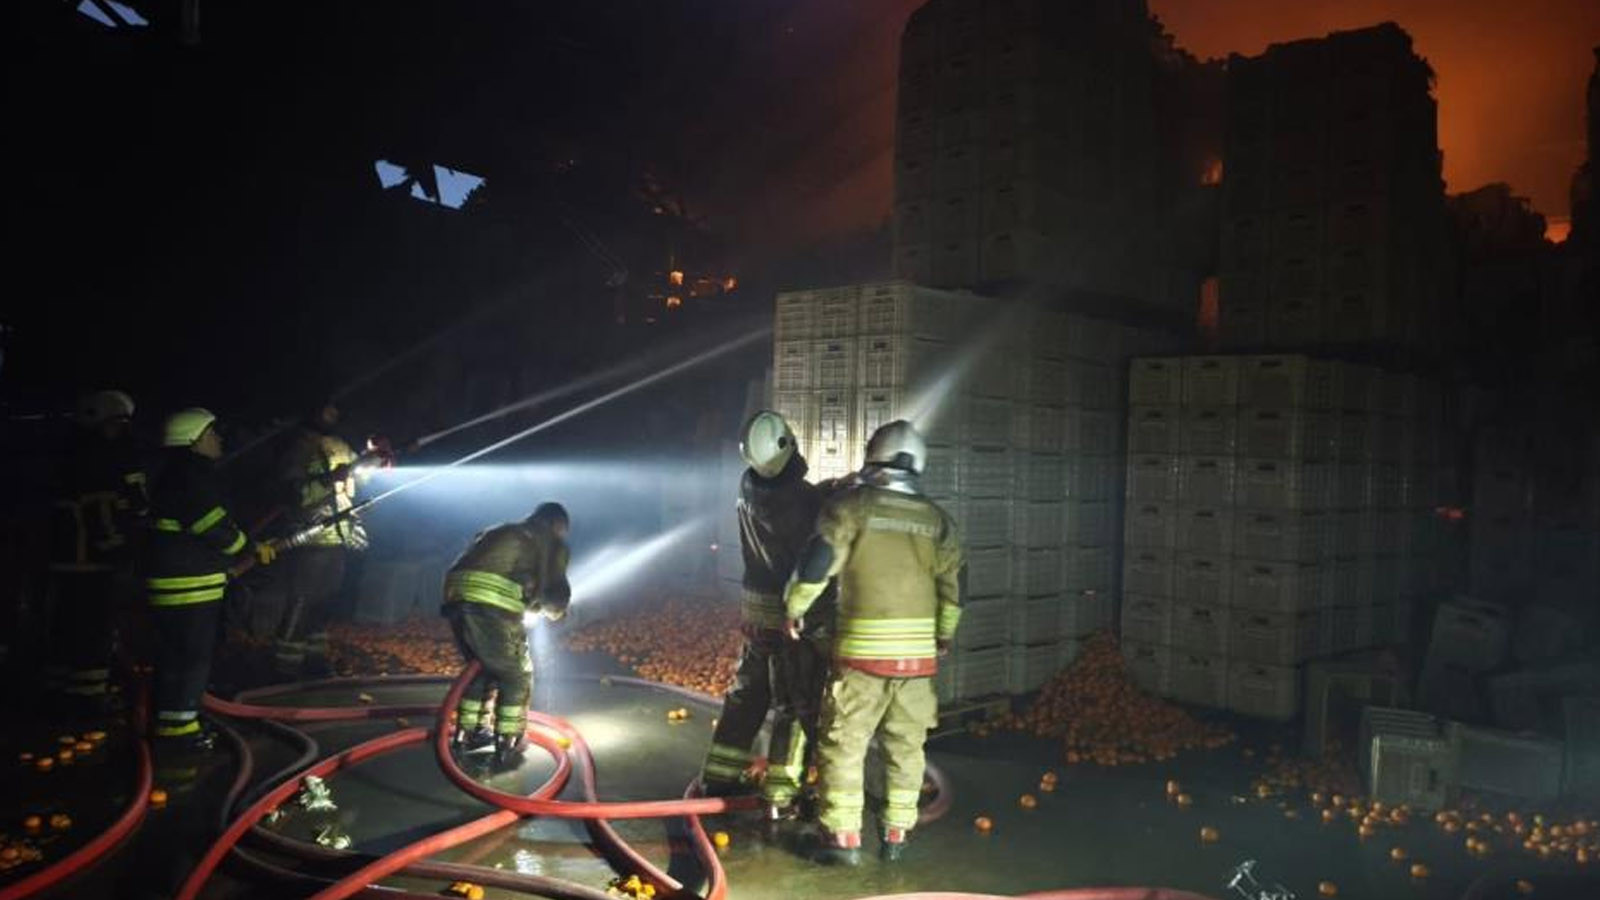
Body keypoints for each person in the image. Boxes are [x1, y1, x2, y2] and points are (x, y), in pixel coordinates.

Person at [783, 420, 963, 865]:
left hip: (862, 659)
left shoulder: (850, 508)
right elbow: (954, 588)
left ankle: (843, 839)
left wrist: (794, 608)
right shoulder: (939, 521)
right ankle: (897, 835)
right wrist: (943, 636)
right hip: (918, 661)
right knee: (907, 747)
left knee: (844, 744)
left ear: (872, 457)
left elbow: (815, 565)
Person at [699, 411, 834, 820]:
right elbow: (816, 528)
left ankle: (718, 775)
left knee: (748, 693)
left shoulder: (750, 485)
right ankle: (781, 792)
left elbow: (794, 499)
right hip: (787, 612)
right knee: (794, 700)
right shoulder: (802, 501)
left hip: (755, 610)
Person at [145, 408, 275, 749]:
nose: (218, 440)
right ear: (195, 438)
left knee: (177, 656)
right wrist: (249, 548)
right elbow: (213, 527)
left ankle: (175, 718)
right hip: (189, 586)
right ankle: (178, 733)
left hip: (181, 582)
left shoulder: (177, 475)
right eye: (213, 433)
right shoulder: (191, 477)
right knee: (190, 658)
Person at [442, 502, 571, 768]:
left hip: (455, 597)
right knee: (516, 673)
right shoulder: (551, 541)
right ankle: (509, 740)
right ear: (557, 525)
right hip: (492, 605)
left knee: (482, 668)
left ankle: (468, 732)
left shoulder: (503, 530)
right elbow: (554, 591)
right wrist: (557, 612)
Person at [46, 390, 148, 714]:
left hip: (71, 559)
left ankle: (60, 692)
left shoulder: (77, 455)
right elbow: (105, 511)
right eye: (117, 424)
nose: (122, 432)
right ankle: (87, 697)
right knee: (91, 630)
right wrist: (122, 547)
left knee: (68, 626)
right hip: (90, 560)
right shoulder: (98, 460)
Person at [274, 401, 366, 677]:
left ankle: (314, 662)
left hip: (338, 535)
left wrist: (372, 459)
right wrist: (326, 480)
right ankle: (284, 666)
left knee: (324, 603)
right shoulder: (298, 448)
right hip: (309, 537)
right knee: (302, 602)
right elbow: (292, 493)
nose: (331, 414)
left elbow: (357, 481)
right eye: (325, 408)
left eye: (335, 409)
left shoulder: (340, 444)